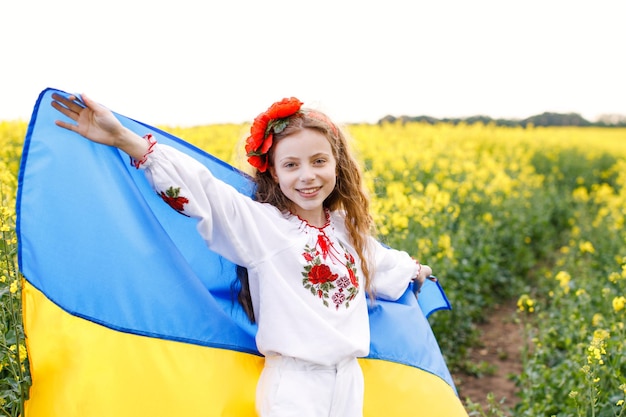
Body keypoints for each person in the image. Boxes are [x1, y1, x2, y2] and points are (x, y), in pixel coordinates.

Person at [51, 93, 435, 417]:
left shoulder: (346, 229)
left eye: (319, 161)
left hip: (349, 380)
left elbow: (383, 265)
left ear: (337, 165)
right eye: (291, 165)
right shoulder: (262, 227)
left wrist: (416, 270)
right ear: (274, 174)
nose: (308, 176)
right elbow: (204, 192)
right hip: (295, 388)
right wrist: (125, 140)